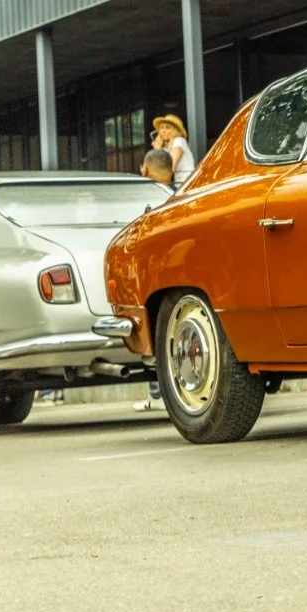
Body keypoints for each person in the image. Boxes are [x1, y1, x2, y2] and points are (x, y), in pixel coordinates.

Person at [131, 147, 175, 412]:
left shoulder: (143, 198)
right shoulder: (182, 195)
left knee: (154, 338)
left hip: (152, 278)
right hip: (180, 276)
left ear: (144, 170)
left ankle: (158, 395)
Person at [153, 113, 196, 188]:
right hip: (178, 184)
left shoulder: (179, 141)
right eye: (161, 128)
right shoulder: (166, 147)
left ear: (175, 130)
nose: (163, 131)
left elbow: (169, 168)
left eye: (167, 128)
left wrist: (157, 150)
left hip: (186, 184)